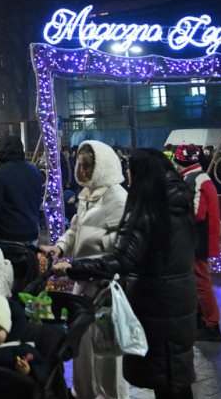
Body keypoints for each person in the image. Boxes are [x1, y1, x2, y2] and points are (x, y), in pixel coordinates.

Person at [56, 148, 197, 399]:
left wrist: (74, 267)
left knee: (165, 375)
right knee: (174, 373)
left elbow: (122, 258)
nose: (127, 174)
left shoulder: (142, 209)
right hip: (179, 298)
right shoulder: (175, 204)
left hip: (156, 301)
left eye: (130, 169)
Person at [41, 140, 131, 398]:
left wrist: (86, 251)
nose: (81, 171)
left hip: (105, 286)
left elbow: (120, 245)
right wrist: (59, 247)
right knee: (83, 348)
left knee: (107, 354)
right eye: (80, 165)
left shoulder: (117, 198)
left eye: (87, 166)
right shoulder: (86, 195)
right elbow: (75, 229)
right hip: (82, 281)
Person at [170, 144, 221, 343]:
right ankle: (203, 320)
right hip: (200, 237)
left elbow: (197, 213)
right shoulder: (199, 177)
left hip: (197, 238)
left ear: (180, 163)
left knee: (201, 282)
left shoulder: (193, 179)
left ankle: (211, 325)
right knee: (198, 280)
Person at [0, 134, 44, 245]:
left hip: (10, 233)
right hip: (32, 231)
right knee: (31, 261)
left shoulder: (0, 173)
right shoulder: (34, 172)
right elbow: (37, 201)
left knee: (11, 262)